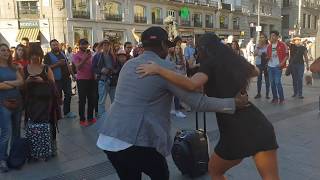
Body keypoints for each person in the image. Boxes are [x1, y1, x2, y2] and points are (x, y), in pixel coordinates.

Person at [97, 27, 249, 180]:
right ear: (164, 45)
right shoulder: (164, 68)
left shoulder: (129, 64)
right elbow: (197, 103)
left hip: (108, 136)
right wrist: (234, 103)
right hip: (135, 139)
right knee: (161, 174)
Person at [137, 32, 280, 180]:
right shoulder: (234, 59)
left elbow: (192, 84)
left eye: (199, 48)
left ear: (204, 48)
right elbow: (255, 71)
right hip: (259, 124)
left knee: (215, 171)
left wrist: (158, 69)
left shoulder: (209, 63)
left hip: (234, 130)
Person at [23, 44, 60, 157]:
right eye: (33, 55)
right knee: (34, 124)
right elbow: (21, 87)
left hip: (47, 102)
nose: (35, 57)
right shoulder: (25, 69)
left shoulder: (46, 68)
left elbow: (53, 85)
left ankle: (52, 146)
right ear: (30, 56)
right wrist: (27, 82)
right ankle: (36, 147)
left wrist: (42, 81)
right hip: (31, 102)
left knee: (50, 123)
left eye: (38, 55)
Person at [0, 43, 23, 173]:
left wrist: (7, 83)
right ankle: (2, 159)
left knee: (16, 132)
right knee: (5, 133)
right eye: (2, 50)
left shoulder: (13, 67)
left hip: (17, 103)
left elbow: (21, 82)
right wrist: (14, 84)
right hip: (3, 104)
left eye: (7, 50)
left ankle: (14, 157)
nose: (5, 52)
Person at [44, 39, 76, 119]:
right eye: (53, 45)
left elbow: (68, 65)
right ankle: (57, 113)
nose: (55, 46)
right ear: (50, 46)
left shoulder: (62, 53)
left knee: (68, 95)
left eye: (56, 44)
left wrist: (73, 75)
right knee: (57, 97)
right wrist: (58, 64)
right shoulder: (47, 56)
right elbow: (46, 68)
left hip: (66, 79)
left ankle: (67, 112)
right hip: (56, 80)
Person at [72, 39, 96, 127]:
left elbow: (93, 65)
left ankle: (90, 117)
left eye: (86, 44)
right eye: (82, 44)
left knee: (91, 99)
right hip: (82, 80)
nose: (85, 46)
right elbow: (78, 67)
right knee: (82, 100)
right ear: (79, 45)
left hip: (91, 79)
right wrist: (85, 58)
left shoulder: (91, 54)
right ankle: (82, 119)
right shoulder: (75, 55)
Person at [92, 40, 116, 118]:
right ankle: (101, 116)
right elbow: (93, 68)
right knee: (102, 100)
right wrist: (101, 70)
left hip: (112, 81)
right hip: (102, 80)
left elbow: (116, 66)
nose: (106, 47)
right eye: (104, 45)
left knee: (114, 99)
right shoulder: (97, 56)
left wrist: (114, 71)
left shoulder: (113, 56)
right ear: (101, 46)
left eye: (108, 45)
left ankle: (113, 114)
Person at [267, 31, 288, 104]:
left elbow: (286, 55)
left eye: (273, 36)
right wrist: (267, 58)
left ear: (277, 36)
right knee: (272, 83)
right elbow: (268, 55)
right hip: (270, 67)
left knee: (277, 82)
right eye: (271, 36)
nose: (272, 37)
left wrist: (282, 63)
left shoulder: (282, 44)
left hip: (277, 67)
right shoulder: (269, 46)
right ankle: (275, 98)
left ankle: (281, 98)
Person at [254, 33, 270, 99]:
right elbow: (255, 54)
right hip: (259, 63)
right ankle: (258, 93)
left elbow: (268, 55)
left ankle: (267, 94)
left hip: (266, 64)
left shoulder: (268, 46)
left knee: (267, 79)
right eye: (260, 37)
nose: (261, 38)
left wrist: (261, 54)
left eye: (263, 37)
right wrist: (258, 48)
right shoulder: (257, 45)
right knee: (259, 79)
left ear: (266, 38)